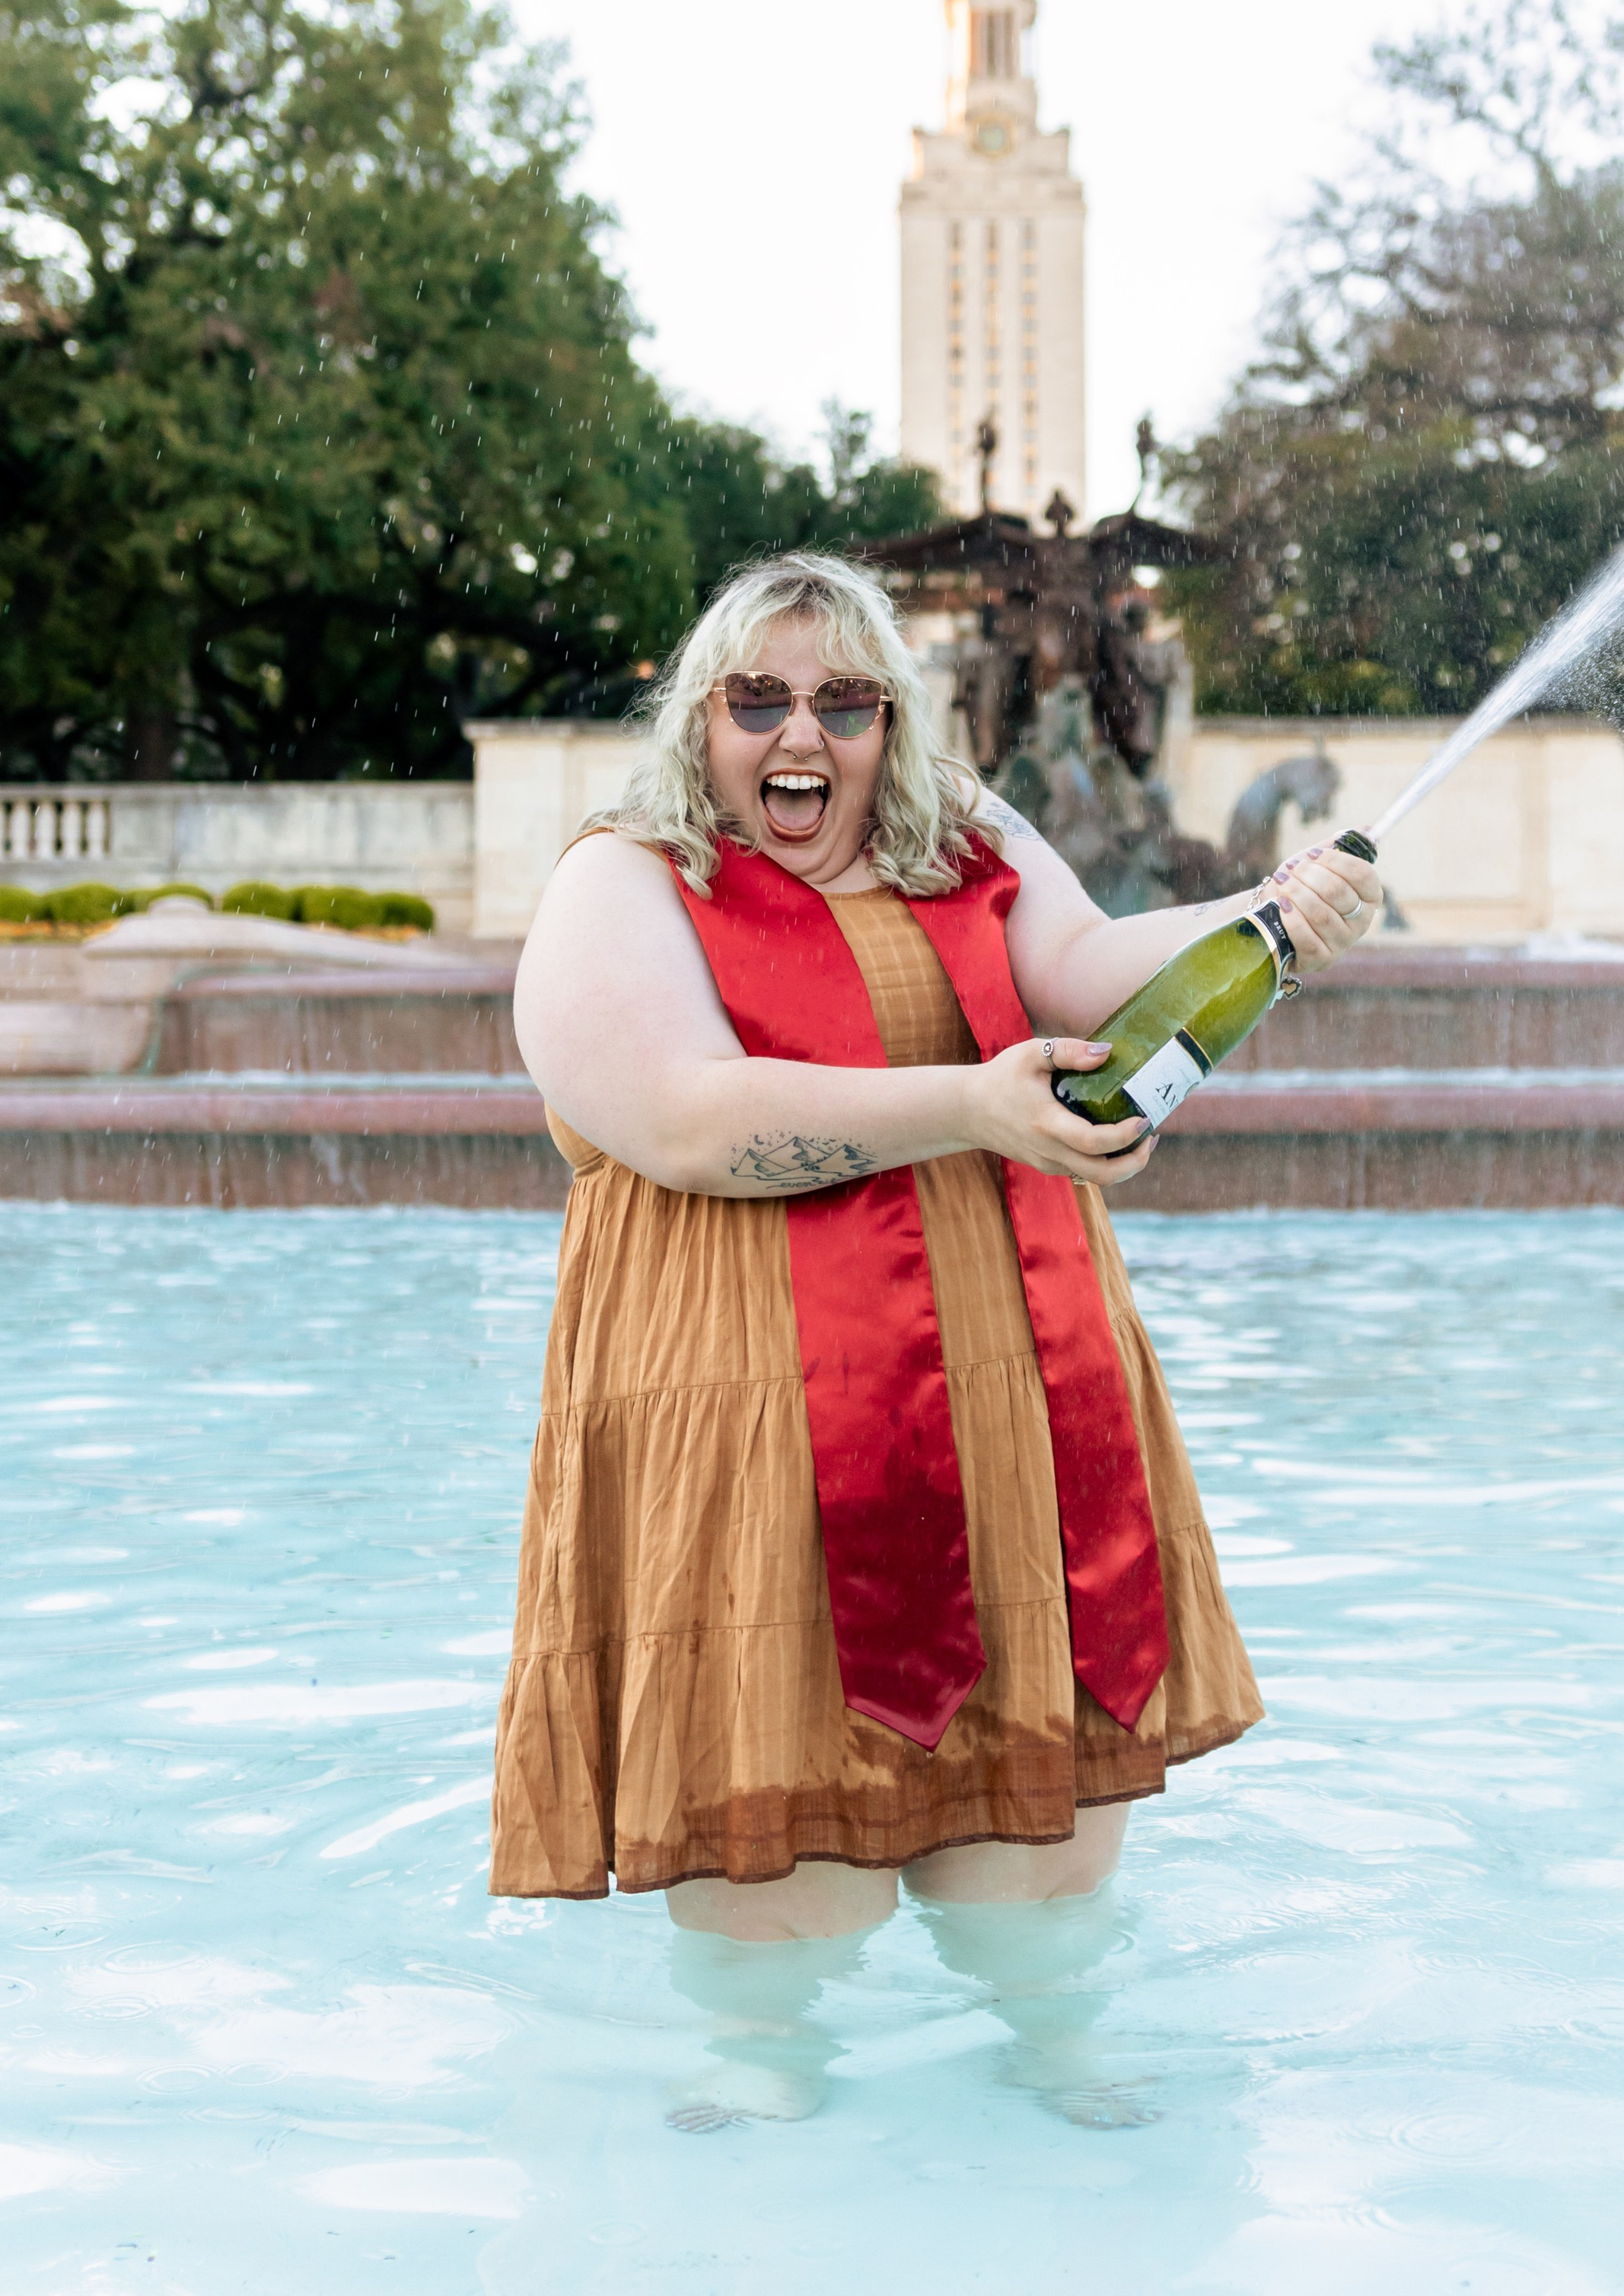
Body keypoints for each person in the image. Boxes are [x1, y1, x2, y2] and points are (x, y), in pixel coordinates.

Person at [491, 550, 1381, 2128]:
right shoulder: (618, 880)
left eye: (844, 701)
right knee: (785, 1853)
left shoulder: (962, 836)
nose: (800, 738)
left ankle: (1050, 2044)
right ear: (694, 718)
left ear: (893, 720)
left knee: (1032, 1861)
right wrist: (969, 1106)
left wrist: (1269, 917)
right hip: (756, 1413)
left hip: (1011, 1387)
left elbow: (1097, 977)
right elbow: (690, 1122)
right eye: (755, 700)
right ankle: (758, 2071)